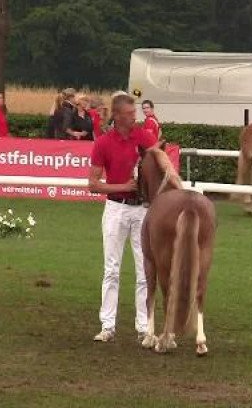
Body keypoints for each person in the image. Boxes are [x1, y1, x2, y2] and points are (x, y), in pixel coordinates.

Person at [88, 94, 158, 343]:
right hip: (116, 209)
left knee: (144, 269)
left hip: (141, 210)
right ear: (117, 116)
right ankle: (108, 325)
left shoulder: (145, 137)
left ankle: (143, 327)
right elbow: (93, 185)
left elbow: (158, 162)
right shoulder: (104, 143)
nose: (135, 116)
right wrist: (124, 186)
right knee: (112, 269)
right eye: (130, 113)